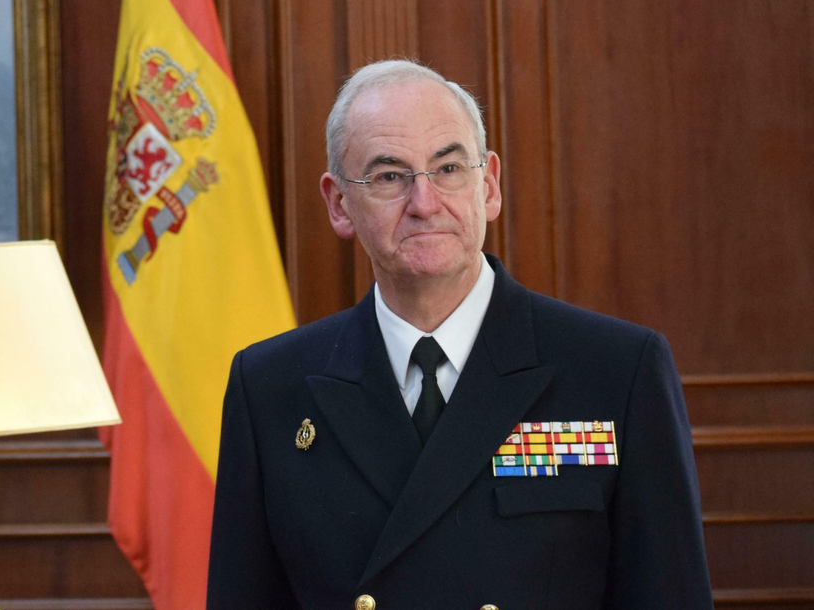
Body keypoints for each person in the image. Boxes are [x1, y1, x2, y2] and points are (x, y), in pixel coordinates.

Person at [207, 59, 711, 609]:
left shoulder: (617, 370)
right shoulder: (270, 388)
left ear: (489, 185)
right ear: (338, 203)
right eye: (389, 177)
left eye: (448, 169)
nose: (424, 204)